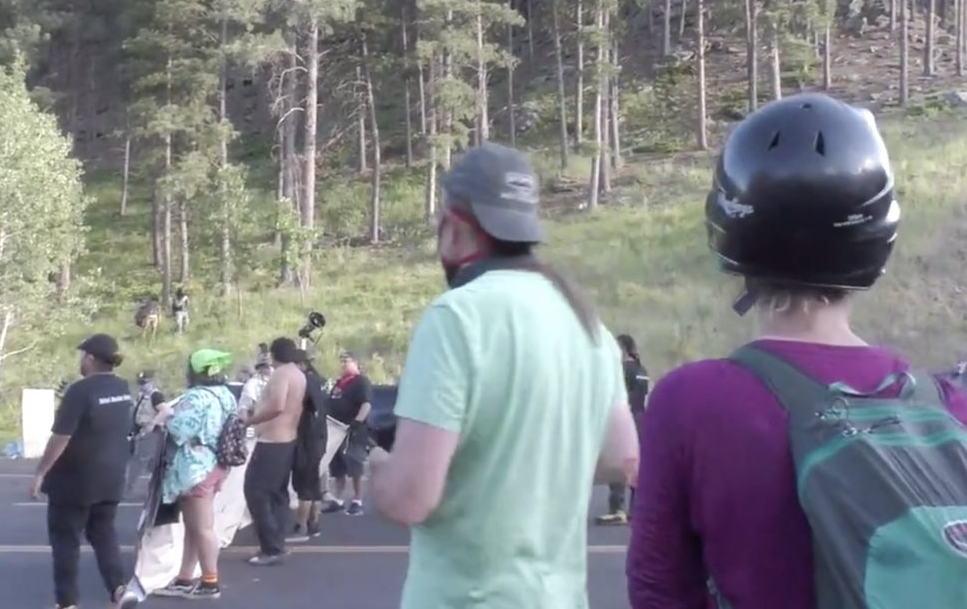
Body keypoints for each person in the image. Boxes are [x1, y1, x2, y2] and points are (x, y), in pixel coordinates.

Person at [627, 94, 967, 609]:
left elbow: (659, 592)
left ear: (728, 228)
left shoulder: (691, 404)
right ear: (877, 238)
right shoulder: (948, 406)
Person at [368, 142, 639, 608]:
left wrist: (376, 466)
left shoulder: (457, 317)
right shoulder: (587, 323)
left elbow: (410, 498)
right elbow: (622, 458)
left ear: (454, 227)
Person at [32, 333, 136, 609]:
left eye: (83, 356)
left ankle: (67, 602)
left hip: (74, 479)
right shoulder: (122, 388)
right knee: (104, 534)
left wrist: (41, 472)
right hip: (111, 477)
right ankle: (118, 589)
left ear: (90, 358)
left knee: (66, 541)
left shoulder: (80, 391)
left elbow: (61, 436)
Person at [152, 349, 239, 600]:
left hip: (194, 468)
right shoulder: (226, 396)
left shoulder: (196, 397)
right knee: (194, 527)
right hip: (216, 464)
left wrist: (166, 414)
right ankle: (184, 577)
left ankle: (210, 582)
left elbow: (180, 430)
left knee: (202, 528)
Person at [242, 337, 305, 566]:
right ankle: (277, 542)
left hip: (272, 440)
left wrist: (251, 421)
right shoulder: (298, 374)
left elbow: (277, 405)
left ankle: (271, 548)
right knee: (278, 494)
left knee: (255, 492)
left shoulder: (280, 374)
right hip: (288, 439)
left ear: (275, 355)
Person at [595, 333, 650, 526]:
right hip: (641, 417)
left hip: (626, 417)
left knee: (619, 461)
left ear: (623, 349)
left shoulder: (621, 370)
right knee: (637, 463)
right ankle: (638, 508)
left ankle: (617, 507)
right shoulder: (641, 369)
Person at [323, 351, 373, 516]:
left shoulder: (361, 382)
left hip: (353, 430)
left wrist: (357, 421)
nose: (343, 364)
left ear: (355, 362)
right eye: (342, 361)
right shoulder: (339, 383)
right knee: (338, 467)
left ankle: (357, 499)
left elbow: (366, 404)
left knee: (355, 464)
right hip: (336, 429)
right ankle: (338, 499)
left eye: (347, 361)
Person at [288, 358, 329, 542]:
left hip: (307, 440)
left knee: (304, 484)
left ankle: (301, 526)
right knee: (313, 484)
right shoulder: (318, 382)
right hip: (319, 439)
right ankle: (314, 523)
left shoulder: (304, 383)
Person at [126, 370, 168, 496]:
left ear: (151, 382)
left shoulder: (156, 396)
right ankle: (150, 489)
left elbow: (166, 411)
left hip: (151, 433)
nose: (142, 385)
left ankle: (129, 488)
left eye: (145, 383)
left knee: (139, 462)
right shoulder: (142, 396)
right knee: (146, 462)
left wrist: (153, 423)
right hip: (141, 432)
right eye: (141, 383)